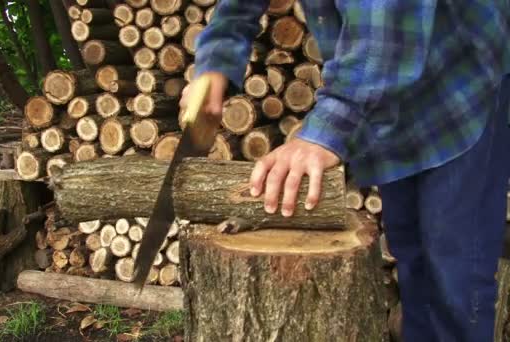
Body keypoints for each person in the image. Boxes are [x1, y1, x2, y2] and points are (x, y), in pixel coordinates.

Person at [179, 1, 510, 341]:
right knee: (413, 256)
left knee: (455, 275)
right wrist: (216, 60)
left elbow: (386, 43)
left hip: (459, 73)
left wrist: (325, 134)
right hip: (390, 88)